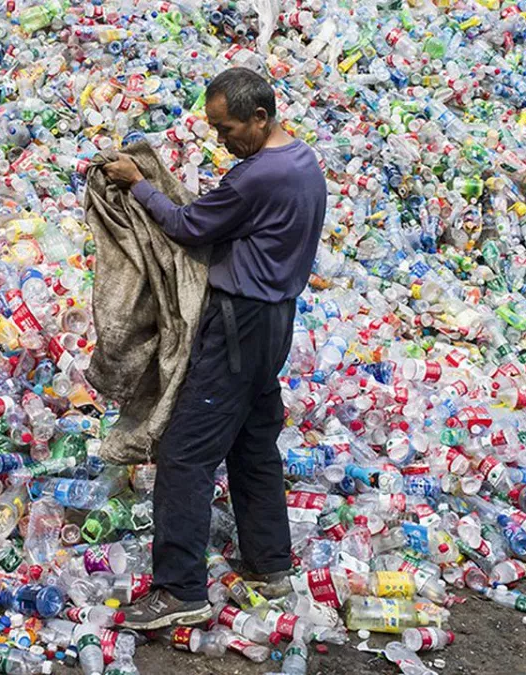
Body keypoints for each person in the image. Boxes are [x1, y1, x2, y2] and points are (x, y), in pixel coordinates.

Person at [101, 67, 328, 630]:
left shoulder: (258, 177)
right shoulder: (302, 161)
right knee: (253, 444)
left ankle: (179, 591)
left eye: (228, 129)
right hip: (275, 321)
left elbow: (186, 225)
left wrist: (139, 182)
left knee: (185, 454)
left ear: (260, 117)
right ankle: (270, 566)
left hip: (237, 325)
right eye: (214, 129)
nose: (222, 140)